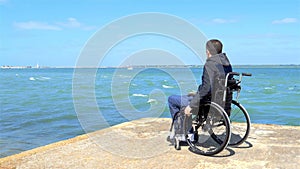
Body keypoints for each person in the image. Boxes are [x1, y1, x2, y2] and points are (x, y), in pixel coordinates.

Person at [168, 39, 233, 121]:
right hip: (222, 102)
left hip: (206, 103)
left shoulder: (210, 64)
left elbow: (206, 89)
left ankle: (187, 132)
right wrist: (197, 93)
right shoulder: (227, 64)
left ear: (208, 51)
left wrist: (191, 105)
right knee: (191, 95)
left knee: (172, 99)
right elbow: (217, 85)